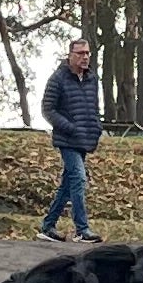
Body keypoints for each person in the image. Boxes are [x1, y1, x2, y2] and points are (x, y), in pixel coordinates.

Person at [39, 34, 102, 240]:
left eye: (87, 53)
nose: (85, 57)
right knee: (78, 178)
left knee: (67, 184)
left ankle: (47, 226)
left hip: (85, 138)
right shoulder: (58, 79)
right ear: (70, 55)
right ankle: (82, 230)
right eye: (80, 53)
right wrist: (68, 127)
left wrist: (96, 127)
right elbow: (48, 109)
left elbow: (93, 108)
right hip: (67, 139)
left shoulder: (92, 79)